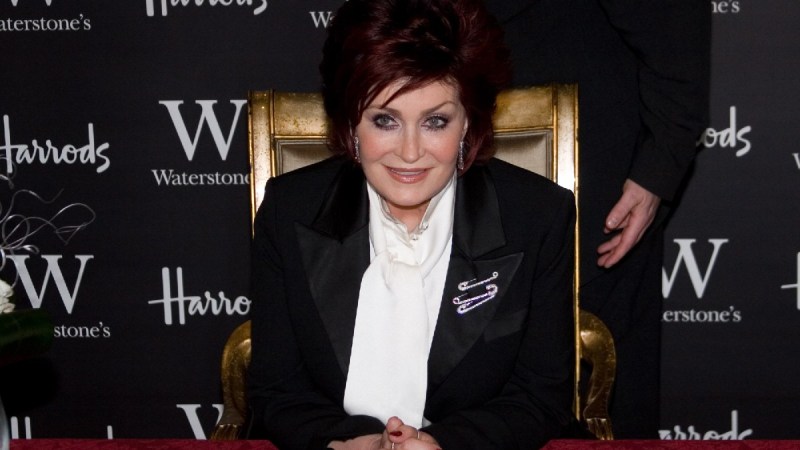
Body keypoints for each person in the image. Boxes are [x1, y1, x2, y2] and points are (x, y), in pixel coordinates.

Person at [247, 0, 577, 448]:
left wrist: (447, 444)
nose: (408, 152)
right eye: (384, 120)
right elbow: (276, 393)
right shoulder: (290, 210)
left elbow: (541, 397)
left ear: (467, 125)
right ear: (350, 122)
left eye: (435, 122)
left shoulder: (537, 216)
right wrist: (350, 441)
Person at [486, 1, 711, 438]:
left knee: (598, 402)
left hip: (590, 171)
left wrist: (656, 171)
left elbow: (677, 29)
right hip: (450, 141)